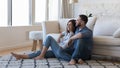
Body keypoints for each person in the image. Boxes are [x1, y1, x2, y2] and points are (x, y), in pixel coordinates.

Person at [11, 19, 76, 61]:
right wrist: (59, 38)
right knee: (40, 52)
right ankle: (21, 56)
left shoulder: (72, 35)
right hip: (57, 52)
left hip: (61, 51)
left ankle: (41, 56)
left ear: (74, 27)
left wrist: (57, 46)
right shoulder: (67, 33)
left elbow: (66, 46)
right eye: (67, 25)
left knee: (49, 38)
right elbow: (62, 33)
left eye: (70, 25)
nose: (68, 26)